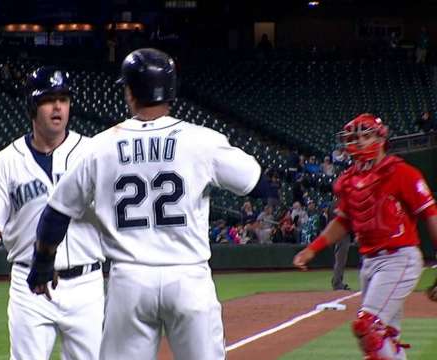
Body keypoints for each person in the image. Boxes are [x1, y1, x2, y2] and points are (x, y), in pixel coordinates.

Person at [27, 48, 264, 360]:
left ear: (130, 92)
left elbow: (57, 211)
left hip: (130, 280)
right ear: (170, 90)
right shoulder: (202, 140)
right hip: (188, 277)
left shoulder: (101, 146)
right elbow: (254, 181)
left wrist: (43, 263)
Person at [0, 66, 105, 359]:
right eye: (48, 99)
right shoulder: (6, 162)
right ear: (32, 106)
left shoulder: (93, 153)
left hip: (86, 282)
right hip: (30, 285)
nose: (57, 107)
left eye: (63, 99)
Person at [293, 113, 437, 360]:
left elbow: (431, 215)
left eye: (366, 135)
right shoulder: (348, 180)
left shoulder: (402, 173)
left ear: (380, 138)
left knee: (367, 326)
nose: (359, 142)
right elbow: (343, 221)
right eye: (354, 137)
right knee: (385, 336)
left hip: (399, 258)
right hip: (369, 261)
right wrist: (313, 249)